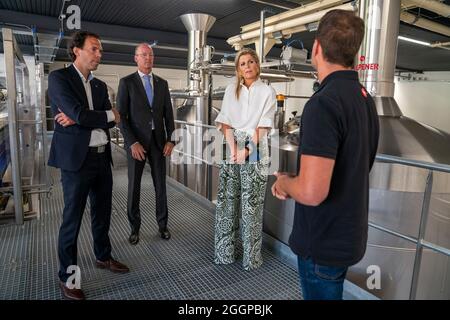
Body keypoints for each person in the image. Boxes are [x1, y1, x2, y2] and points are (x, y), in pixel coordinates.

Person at [271, 9, 380, 300]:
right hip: (349, 236)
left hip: (323, 241)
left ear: (316, 48)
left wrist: (284, 182)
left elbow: (312, 192)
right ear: (354, 53)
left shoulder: (323, 104)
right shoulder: (365, 99)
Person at [48, 30, 130, 301]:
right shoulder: (59, 78)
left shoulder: (98, 86)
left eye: (100, 50)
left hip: (101, 156)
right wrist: (87, 116)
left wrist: (83, 117)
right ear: (77, 50)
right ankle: (68, 277)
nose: (99, 54)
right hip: (76, 161)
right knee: (72, 219)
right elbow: (82, 113)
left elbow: (112, 119)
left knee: (102, 212)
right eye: (94, 49)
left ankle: (103, 257)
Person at [214, 47, 276, 271]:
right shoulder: (232, 90)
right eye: (243, 64)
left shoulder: (268, 91)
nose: (247, 66)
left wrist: (246, 151)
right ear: (238, 69)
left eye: (251, 62)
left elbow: (263, 126)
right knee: (226, 202)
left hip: (256, 146)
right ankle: (224, 252)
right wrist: (233, 149)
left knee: (251, 204)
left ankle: (251, 258)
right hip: (231, 145)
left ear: (257, 65)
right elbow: (225, 121)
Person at [117, 43, 175, 245]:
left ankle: (163, 225)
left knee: (161, 185)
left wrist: (171, 139)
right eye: (143, 55)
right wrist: (132, 142)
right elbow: (121, 117)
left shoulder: (162, 83)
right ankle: (134, 228)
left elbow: (169, 114)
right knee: (134, 186)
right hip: (137, 144)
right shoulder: (127, 83)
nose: (147, 58)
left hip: (159, 143)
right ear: (136, 58)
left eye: (150, 55)